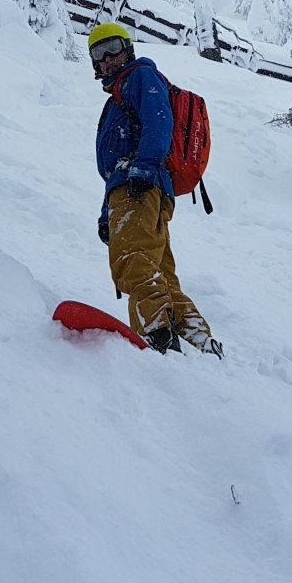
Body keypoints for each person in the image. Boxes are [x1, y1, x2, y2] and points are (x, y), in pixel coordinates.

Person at [89, 22, 222, 358]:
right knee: (159, 272)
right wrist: (108, 214)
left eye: (113, 48)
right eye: (98, 53)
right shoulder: (121, 91)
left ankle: (156, 336)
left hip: (139, 186)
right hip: (142, 188)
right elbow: (113, 169)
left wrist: (144, 167)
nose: (107, 59)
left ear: (128, 48)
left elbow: (159, 120)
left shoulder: (139, 77)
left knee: (132, 261)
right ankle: (200, 342)